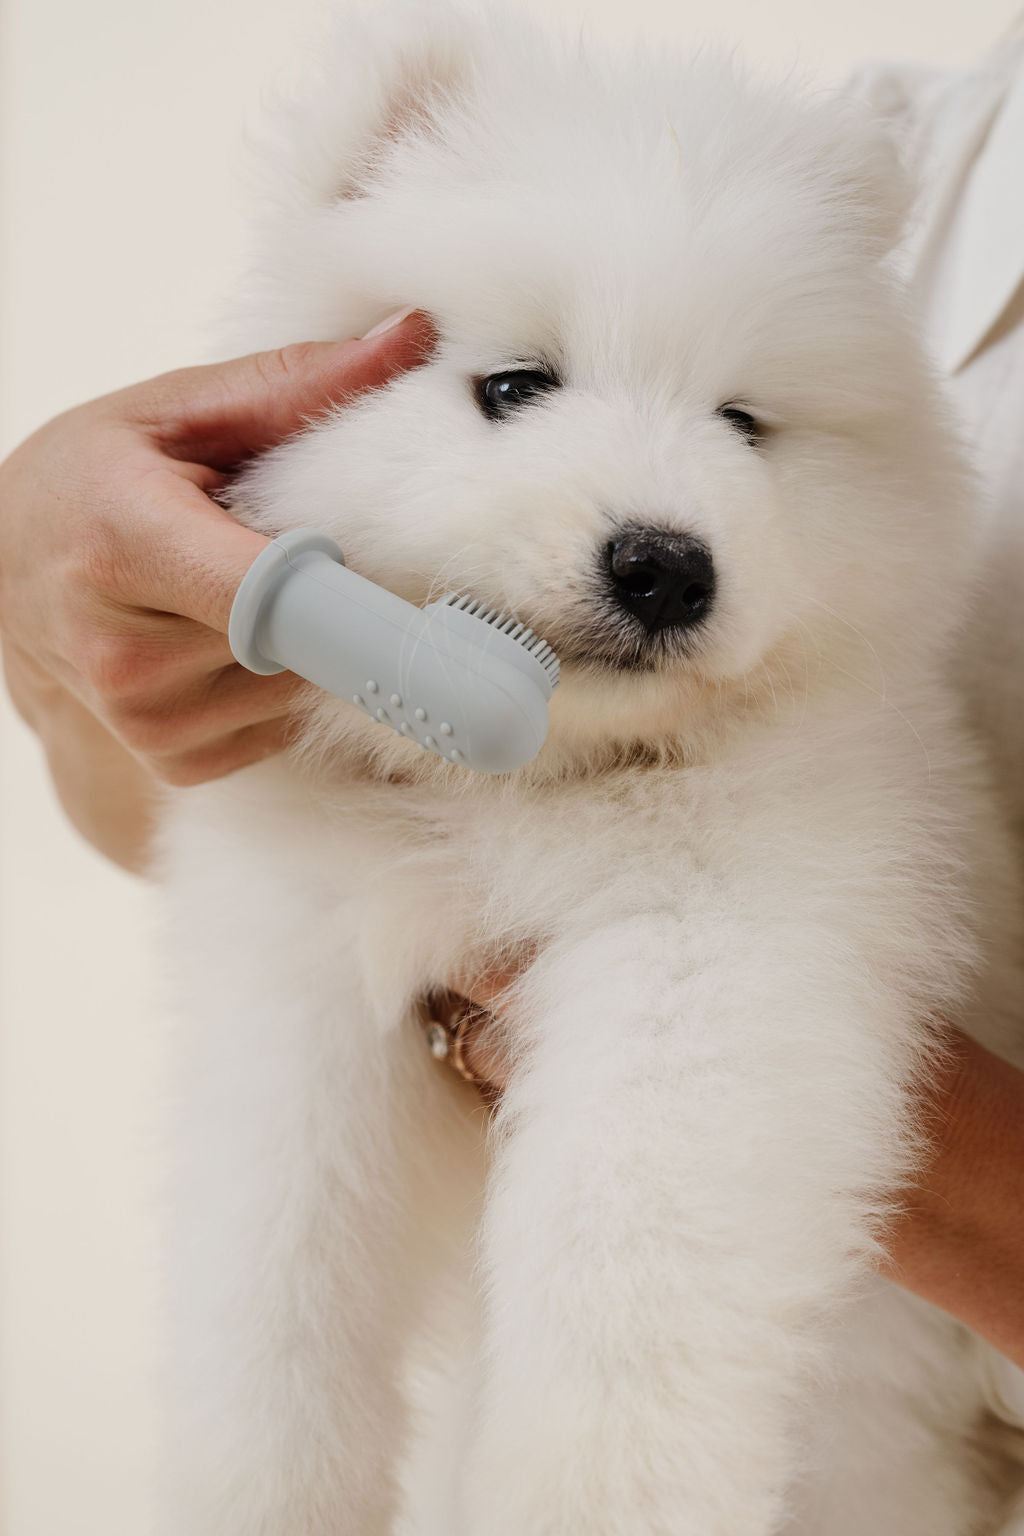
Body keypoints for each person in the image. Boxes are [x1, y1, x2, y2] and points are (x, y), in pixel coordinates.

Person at [1, 29, 1023, 1466]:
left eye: (739, 423)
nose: (663, 531)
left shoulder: (821, 763)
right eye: (517, 387)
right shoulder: (870, 154)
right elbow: (158, 820)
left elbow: (664, 1219)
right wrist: (52, 615)